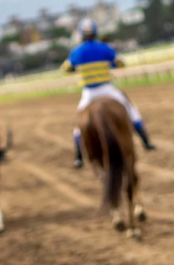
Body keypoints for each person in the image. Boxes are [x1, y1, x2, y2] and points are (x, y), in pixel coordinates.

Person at [62, 18, 156, 169]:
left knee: (79, 121)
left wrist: (75, 67)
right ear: (95, 33)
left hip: (89, 92)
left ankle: (78, 157)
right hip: (107, 89)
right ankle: (146, 141)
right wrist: (110, 62)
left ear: (81, 35)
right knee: (131, 109)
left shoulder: (76, 51)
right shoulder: (104, 47)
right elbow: (121, 63)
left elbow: (65, 68)